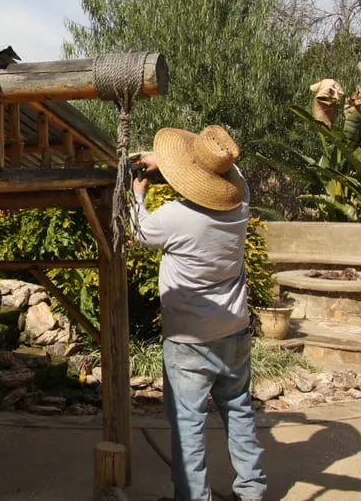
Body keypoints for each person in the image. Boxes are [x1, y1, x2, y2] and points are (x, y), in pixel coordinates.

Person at [130, 124, 267, 501]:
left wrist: (138, 192)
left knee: (189, 425)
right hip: (234, 330)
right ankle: (252, 491)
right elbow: (232, 171)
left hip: (188, 338)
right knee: (238, 410)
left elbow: (139, 231)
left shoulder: (175, 217)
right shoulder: (240, 205)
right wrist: (173, 164)